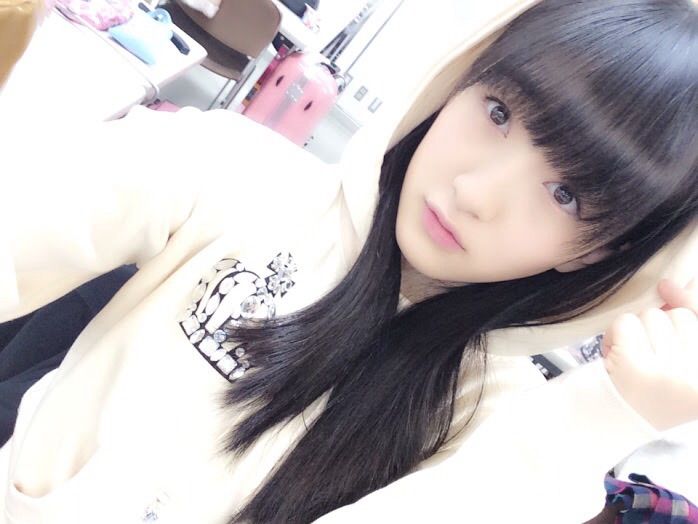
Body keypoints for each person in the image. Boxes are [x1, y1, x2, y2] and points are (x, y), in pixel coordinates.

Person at [0, 0, 696, 523]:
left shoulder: (493, 428)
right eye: (497, 112)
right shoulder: (236, 173)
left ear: (603, 250)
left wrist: (601, 419)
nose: (476, 192)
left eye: (566, 194)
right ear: (457, 80)